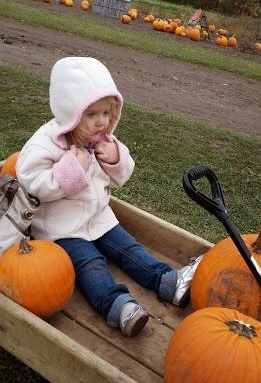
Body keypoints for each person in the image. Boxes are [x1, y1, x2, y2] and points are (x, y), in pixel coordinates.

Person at [16, 57, 204, 336]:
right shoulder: (46, 142)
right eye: (90, 115)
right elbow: (29, 180)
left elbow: (120, 177)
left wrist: (117, 159)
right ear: (71, 112)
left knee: (130, 249)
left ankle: (168, 282)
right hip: (62, 230)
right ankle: (119, 307)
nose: (101, 122)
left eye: (106, 113)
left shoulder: (102, 140)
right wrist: (70, 170)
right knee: (90, 264)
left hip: (100, 218)